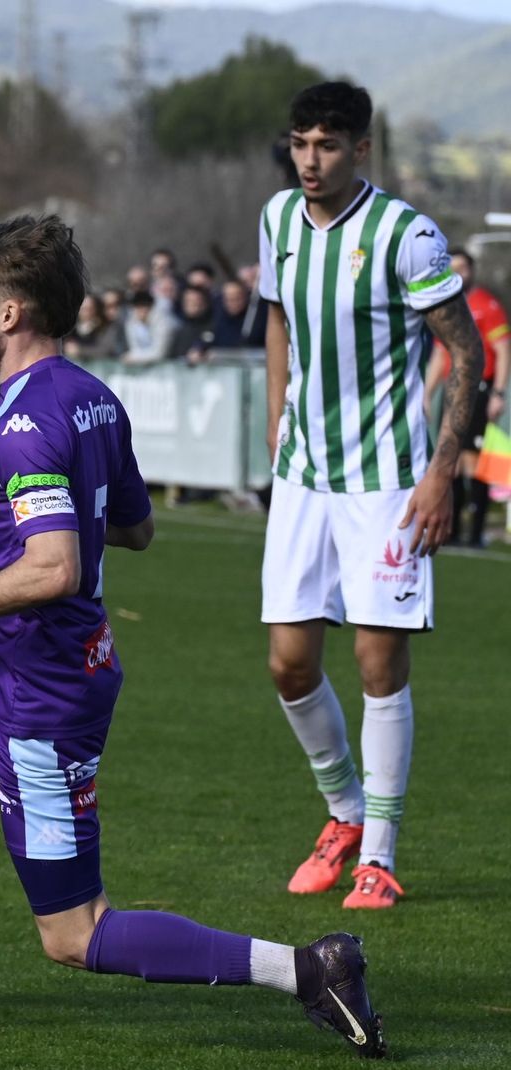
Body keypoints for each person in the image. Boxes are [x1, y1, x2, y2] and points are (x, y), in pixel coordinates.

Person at [0, 214, 385, 1060]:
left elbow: (56, 570)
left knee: (74, 933)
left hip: (42, 694)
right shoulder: (86, 398)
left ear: (10, 314)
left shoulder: (26, 423)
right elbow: (134, 528)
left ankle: (310, 969)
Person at [257, 82, 484, 911]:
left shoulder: (407, 236)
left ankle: (379, 854)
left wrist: (439, 472)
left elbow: (468, 356)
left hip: (388, 480)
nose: (309, 160)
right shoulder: (278, 219)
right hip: (304, 476)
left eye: (326, 145)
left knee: (377, 662)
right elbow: (278, 317)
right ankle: (344, 814)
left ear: (361, 150)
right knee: (288, 662)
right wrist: (278, 412)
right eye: (299, 143)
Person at [423, 248, 510, 548]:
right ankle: (454, 531)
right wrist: (427, 393)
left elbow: (502, 349)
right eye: (453, 267)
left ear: (472, 271)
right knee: (452, 459)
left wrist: (498, 393)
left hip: (478, 389)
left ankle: (475, 534)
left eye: (464, 267)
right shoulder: (447, 305)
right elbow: (438, 353)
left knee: (476, 463)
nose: (459, 272)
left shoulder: (487, 305)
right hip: (452, 390)